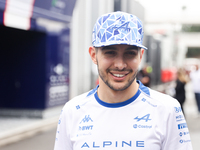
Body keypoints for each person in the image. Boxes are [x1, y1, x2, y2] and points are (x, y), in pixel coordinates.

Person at [54, 11, 192, 150]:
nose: (120, 65)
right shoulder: (72, 111)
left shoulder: (167, 109)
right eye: (110, 52)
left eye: (130, 53)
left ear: (140, 56)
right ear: (93, 55)